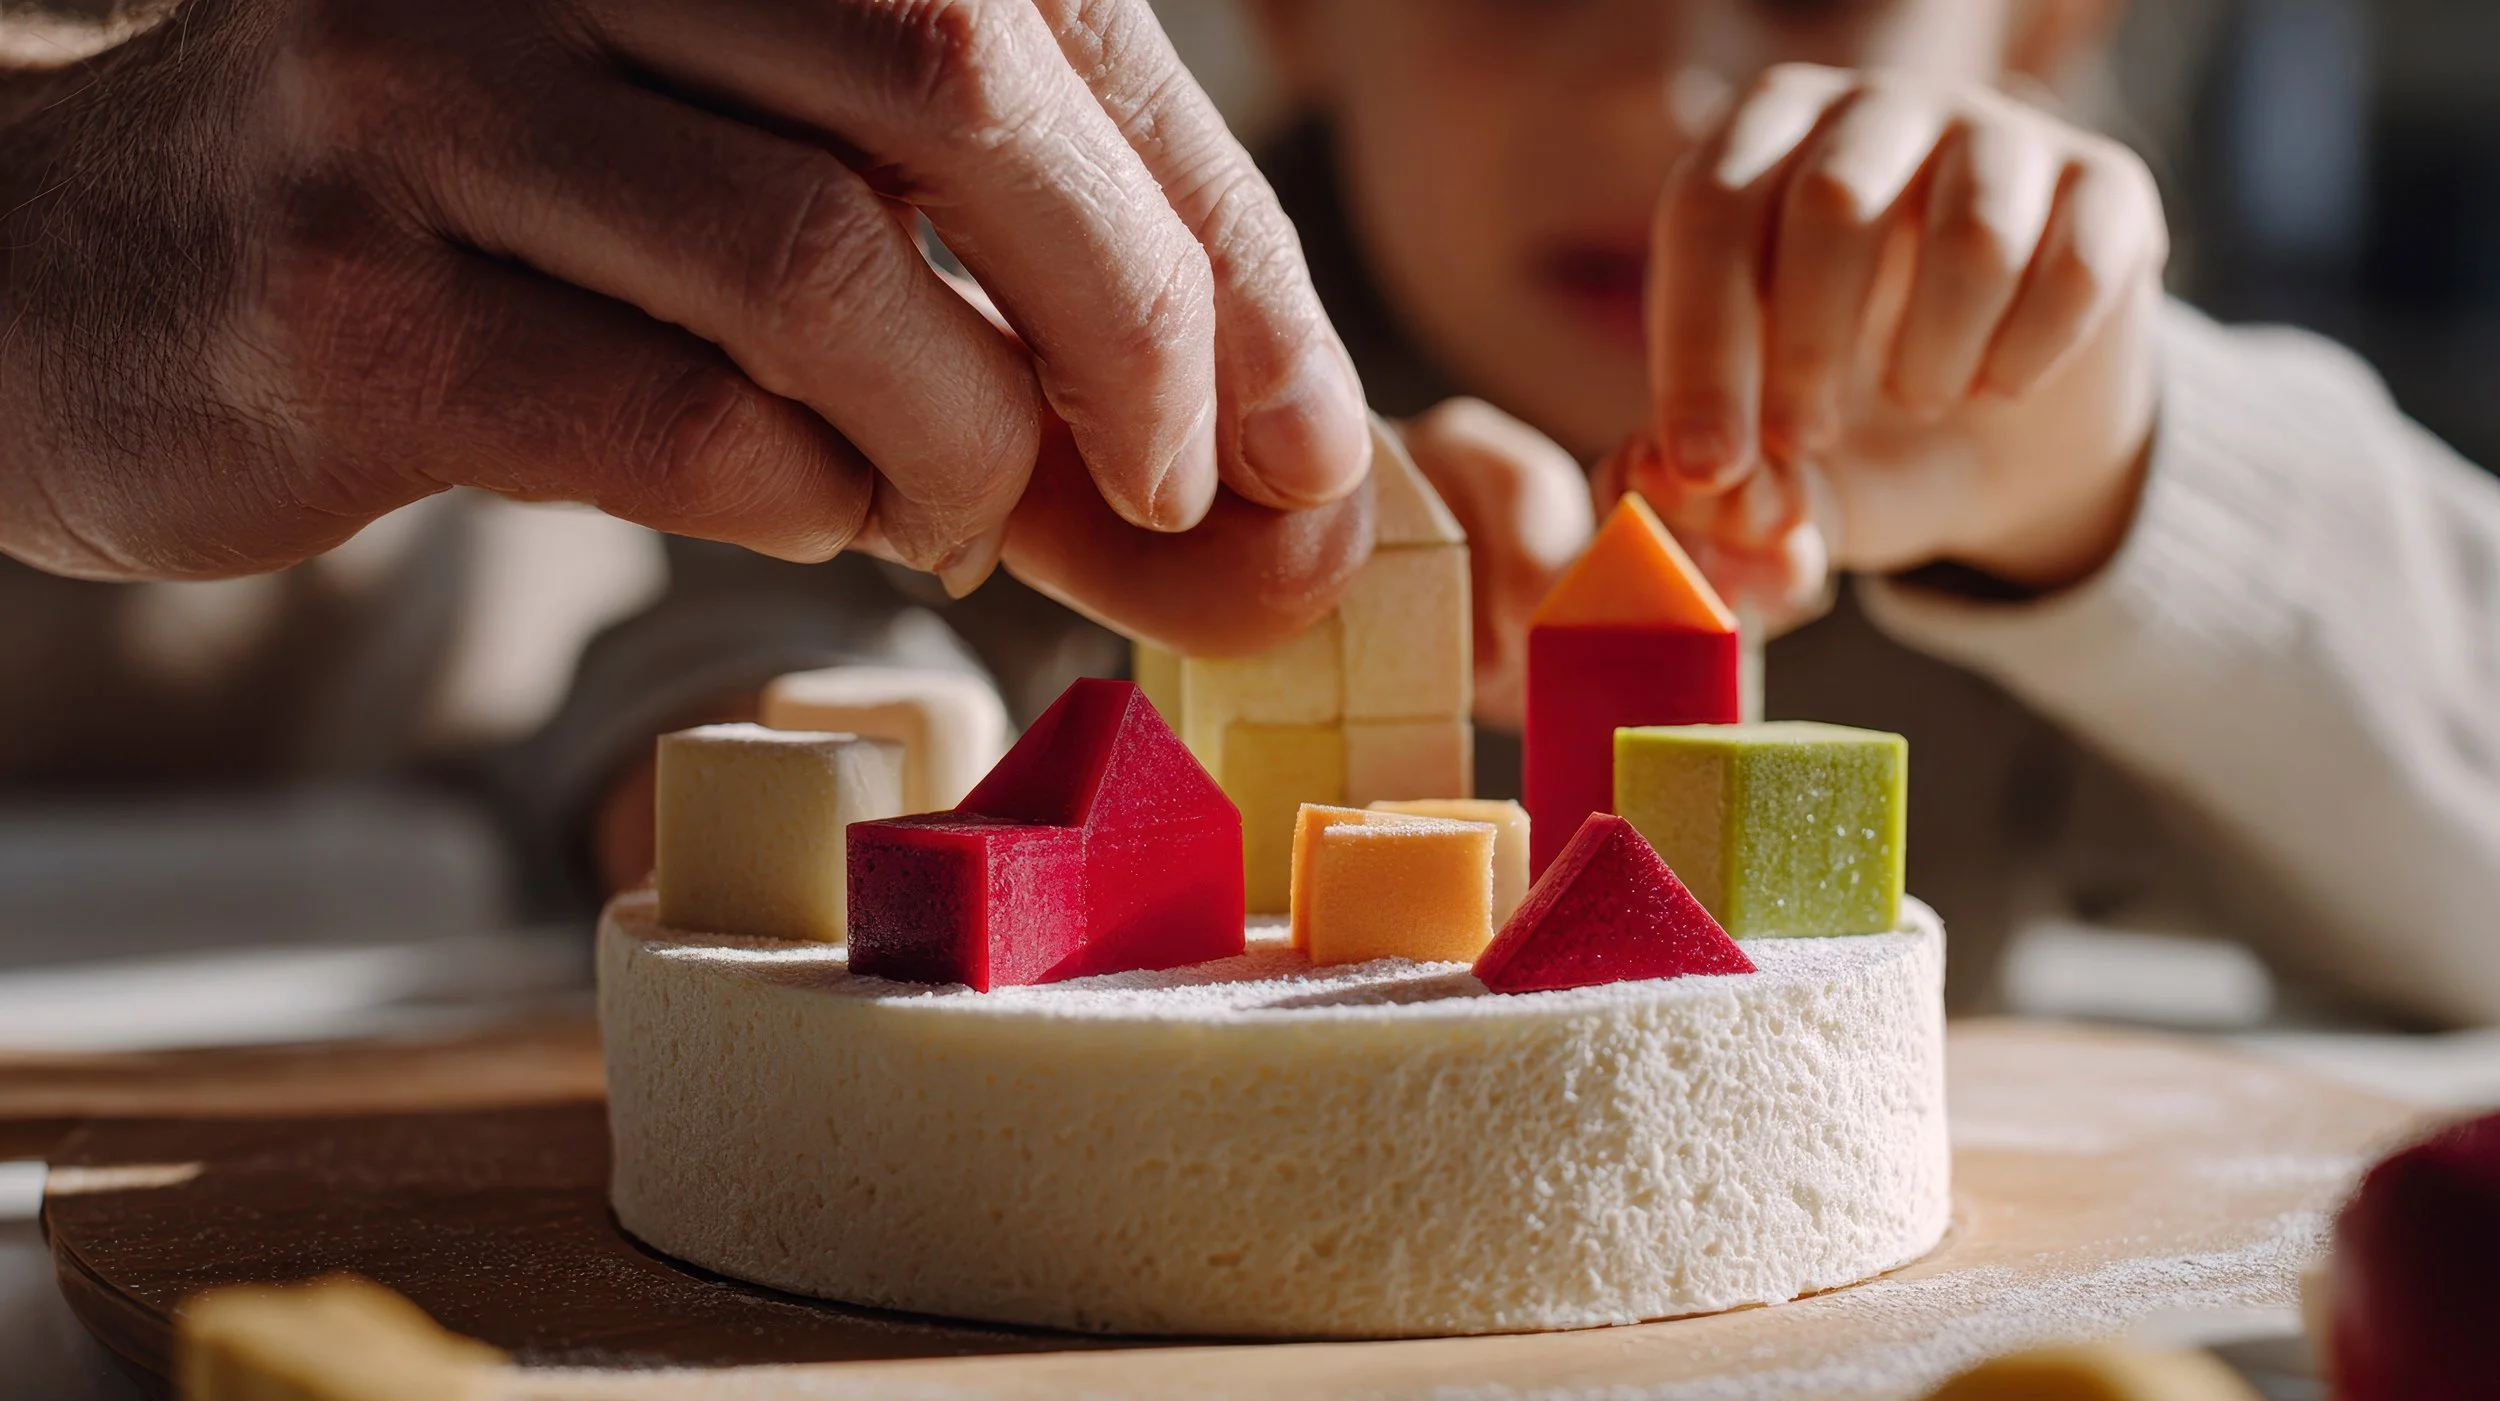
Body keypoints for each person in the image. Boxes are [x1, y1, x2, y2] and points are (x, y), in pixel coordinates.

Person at [1247, 0, 2500, 1024]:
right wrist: (1206, 559)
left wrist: (2111, 499)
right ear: (1292, 14)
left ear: (2041, 28)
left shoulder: (2042, 485)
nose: (1669, 98)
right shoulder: (1091, 438)